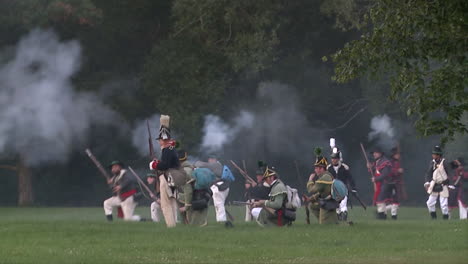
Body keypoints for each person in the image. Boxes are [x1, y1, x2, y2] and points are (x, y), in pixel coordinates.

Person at [149, 115, 180, 227]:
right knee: (171, 203)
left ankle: (170, 225)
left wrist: (154, 164)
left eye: (161, 140)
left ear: (163, 140)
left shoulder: (167, 150)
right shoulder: (171, 149)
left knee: (165, 204)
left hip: (167, 178)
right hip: (172, 178)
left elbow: (165, 165)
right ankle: (173, 224)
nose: (159, 142)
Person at [195, 156, 232, 227]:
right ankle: (221, 221)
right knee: (218, 204)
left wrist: (196, 163)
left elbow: (200, 164)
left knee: (219, 204)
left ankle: (221, 221)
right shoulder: (217, 166)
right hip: (221, 186)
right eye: (209, 159)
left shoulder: (216, 165)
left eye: (211, 159)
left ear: (215, 159)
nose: (209, 160)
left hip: (219, 187)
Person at [306, 150, 338, 224]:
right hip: (328, 201)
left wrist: (310, 180)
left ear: (321, 168)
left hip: (327, 203)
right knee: (312, 205)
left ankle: (324, 221)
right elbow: (320, 193)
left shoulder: (324, 178)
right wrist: (310, 199)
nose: (315, 170)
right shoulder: (327, 176)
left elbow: (311, 190)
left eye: (316, 168)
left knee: (324, 226)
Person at [327, 151, 356, 221]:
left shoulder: (344, 167)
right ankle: (339, 216)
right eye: (332, 158)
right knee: (336, 206)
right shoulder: (329, 168)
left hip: (343, 189)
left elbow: (350, 178)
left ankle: (344, 214)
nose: (333, 160)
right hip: (333, 189)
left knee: (343, 203)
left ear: (338, 159)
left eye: (335, 158)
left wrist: (353, 188)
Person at [424, 146, 451, 220]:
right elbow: (428, 173)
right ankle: (434, 218)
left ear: (438, 155)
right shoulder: (432, 162)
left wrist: (449, 184)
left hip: (443, 184)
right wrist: (427, 183)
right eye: (433, 154)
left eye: (434, 154)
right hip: (434, 184)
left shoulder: (444, 162)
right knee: (429, 203)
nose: (433, 155)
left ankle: (445, 219)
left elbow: (449, 173)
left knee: (444, 204)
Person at [367, 147, 392, 219]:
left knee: (380, 199)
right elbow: (374, 171)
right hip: (380, 184)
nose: (374, 154)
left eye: (376, 153)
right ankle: (382, 215)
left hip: (385, 183)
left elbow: (385, 174)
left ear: (380, 154)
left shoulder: (385, 162)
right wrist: (370, 167)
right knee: (380, 200)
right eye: (374, 153)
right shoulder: (377, 162)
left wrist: (376, 179)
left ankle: (381, 214)